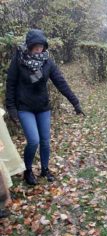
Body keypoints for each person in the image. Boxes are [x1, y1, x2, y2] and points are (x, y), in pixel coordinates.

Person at [6, 29, 85, 186]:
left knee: (45, 141)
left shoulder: (47, 61)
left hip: (43, 107)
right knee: (34, 141)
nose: (39, 49)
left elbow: (60, 82)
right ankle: (27, 170)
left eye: (41, 46)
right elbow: (11, 84)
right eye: (35, 46)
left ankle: (44, 169)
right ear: (29, 45)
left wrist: (75, 103)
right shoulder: (18, 59)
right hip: (24, 107)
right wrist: (12, 109)